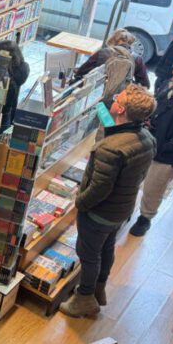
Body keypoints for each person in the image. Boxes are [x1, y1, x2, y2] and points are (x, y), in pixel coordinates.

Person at [60, 84, 156, 318]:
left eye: (117, 98)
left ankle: (84, 299)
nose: (113, 100)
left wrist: (80, 203)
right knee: (106, 248)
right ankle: (98, 290)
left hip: (99, 213)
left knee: (88, 254)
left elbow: (99, 189)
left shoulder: (110, 149)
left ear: (121, 109)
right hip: (121, 210)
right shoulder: (147, 138)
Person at [130, 58, 173, 236]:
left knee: (154, 188)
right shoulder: (168, 85)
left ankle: (145, 218)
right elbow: (156, 103)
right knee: (133, 178)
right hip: (146, 142)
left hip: (166, 155)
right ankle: (126, 211)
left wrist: (171, 146)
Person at [73, 28, 149, 89]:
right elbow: (145, 85)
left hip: (97, 91)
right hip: (120, 97)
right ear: (131, 44)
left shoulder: (102, 53)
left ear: (113, 41)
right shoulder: (137, 59)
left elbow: (81, 72)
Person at [0, 40, 29, 134]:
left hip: (0, 113)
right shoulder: (24, 67)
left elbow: (6, 90)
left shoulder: (7, 75)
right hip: (9, 111)